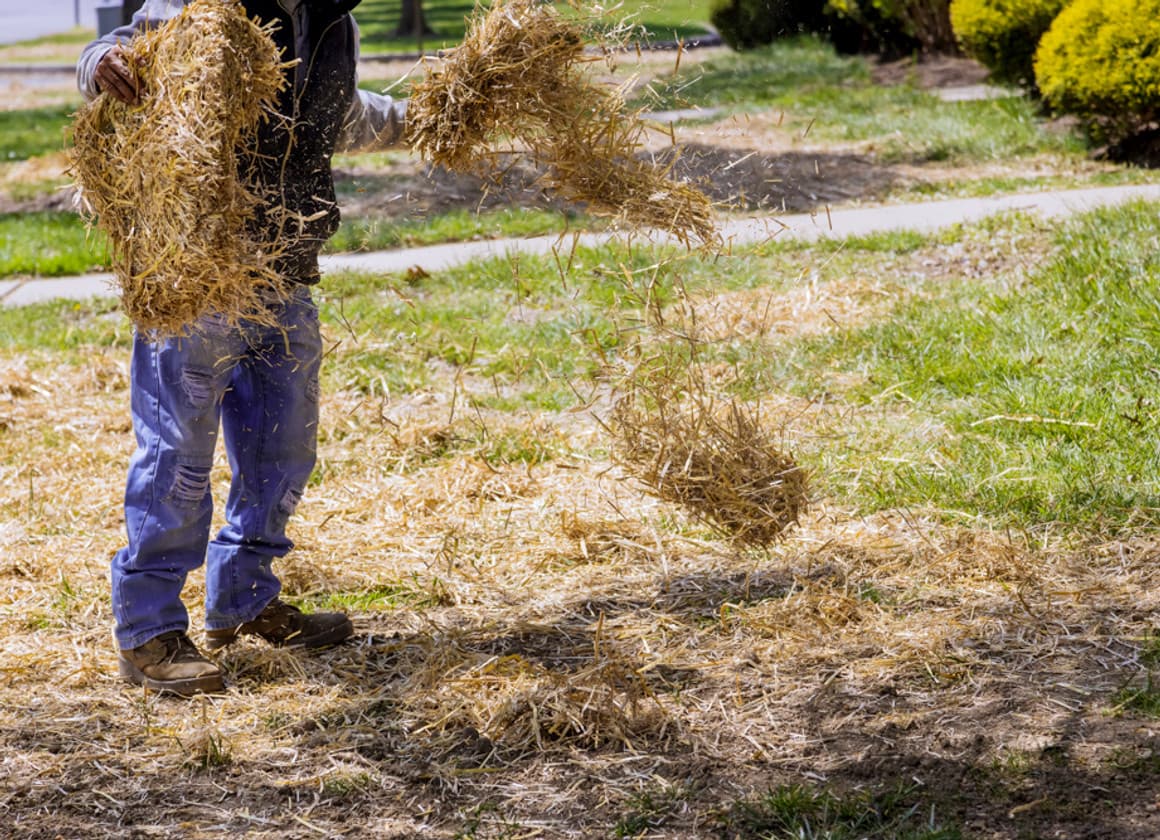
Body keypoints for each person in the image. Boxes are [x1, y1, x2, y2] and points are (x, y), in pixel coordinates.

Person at [77, 0, 407, 696]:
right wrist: (98, 66)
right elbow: (113, 55)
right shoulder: (203, 7)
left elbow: (339, 114)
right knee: (179, 459)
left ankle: (245, 600)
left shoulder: (333, 20)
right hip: (198, 278)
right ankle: (147, 629)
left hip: (285, 270)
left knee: (282, 449)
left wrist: (427, 120)